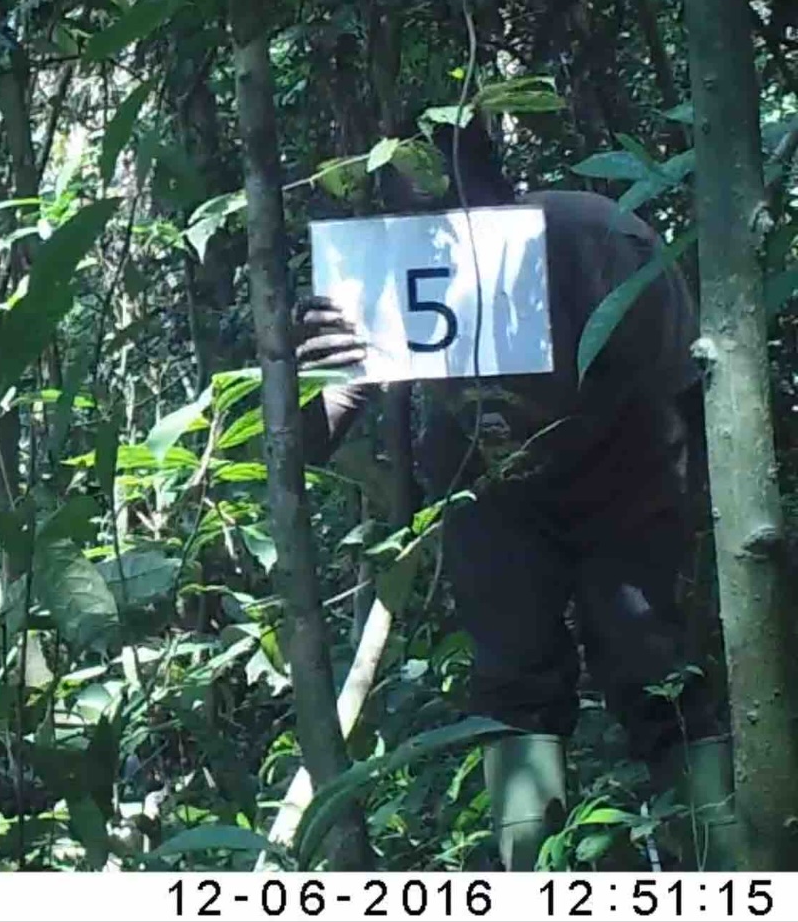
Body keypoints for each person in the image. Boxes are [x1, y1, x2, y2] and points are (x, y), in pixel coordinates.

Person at [294, 116, 740, 871]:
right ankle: (530, 873)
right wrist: (299, 368)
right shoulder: (396, 271)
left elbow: (692, 394)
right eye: (417, 213)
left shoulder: (592, 240)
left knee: (660, 674)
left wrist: (702, 525)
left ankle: (726, 864)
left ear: (501, 190)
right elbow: (317, 429)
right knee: (512, 684)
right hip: (494, 493)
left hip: (624, 477)